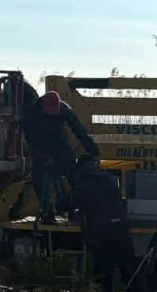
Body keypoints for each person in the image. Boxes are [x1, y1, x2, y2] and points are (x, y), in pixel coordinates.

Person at [61, 155, 143, 292]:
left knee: (104, 268)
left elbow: (69, 203)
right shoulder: (110, 180)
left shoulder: (85, 184)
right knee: (127, 266)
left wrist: (58, 204)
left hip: (101, 230)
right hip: (120, 226)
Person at [21, 90, 99, 221]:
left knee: (74, 175)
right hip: (39, 145)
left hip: (59, 144)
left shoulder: (65, 110)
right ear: (43, 106)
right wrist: (43, 157)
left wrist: (93, 151)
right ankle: (46, 211)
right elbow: (30, 139)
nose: (54, 114)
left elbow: (79, 130)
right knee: (39, 177)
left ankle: (78, 208)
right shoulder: (31, 113)